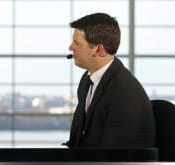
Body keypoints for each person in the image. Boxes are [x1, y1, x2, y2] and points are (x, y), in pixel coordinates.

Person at [66, 13, 155, 148]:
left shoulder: (124, 93)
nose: (70, 47)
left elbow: (112, 156)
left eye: (77, 43)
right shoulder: (87, 79)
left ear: (98, 49)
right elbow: (78, 141)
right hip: (91, 162)